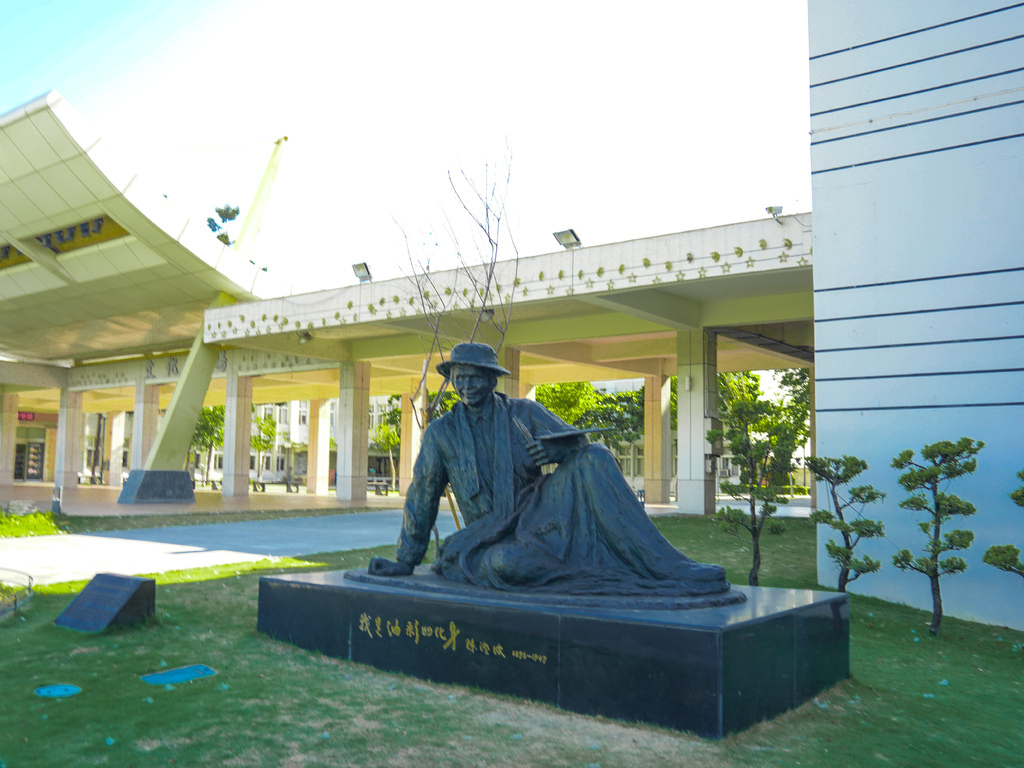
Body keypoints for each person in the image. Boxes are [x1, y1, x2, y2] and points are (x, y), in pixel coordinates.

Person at [368, 343, 729, 595]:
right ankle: (599, 569)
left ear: (492, 379)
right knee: (506, 565)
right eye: (460, 377)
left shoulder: (523, 413)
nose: (466, 385)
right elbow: (422, 496)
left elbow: (578, 444)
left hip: (540, 511)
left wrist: (561, 449)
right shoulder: (441, 433)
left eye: (475, 377)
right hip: (490, 536)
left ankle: (664, 564)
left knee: (596, 456)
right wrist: (405, 559)